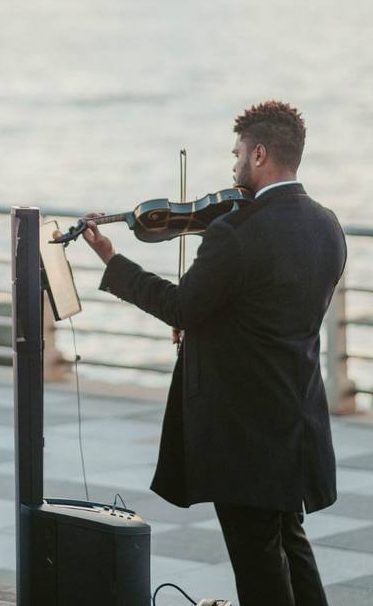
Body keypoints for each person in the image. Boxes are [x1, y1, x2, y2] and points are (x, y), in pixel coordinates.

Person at [82, 101, 344, 606]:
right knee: (292, 543)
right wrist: (208, 328)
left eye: (238, 153)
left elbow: (180, 306)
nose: (233, 166)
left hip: (245, 433)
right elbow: (271, 312)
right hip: (299, 419)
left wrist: (114, 261)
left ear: (260, 153)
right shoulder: (327, 225)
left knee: (259, 565)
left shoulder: (235, 234)